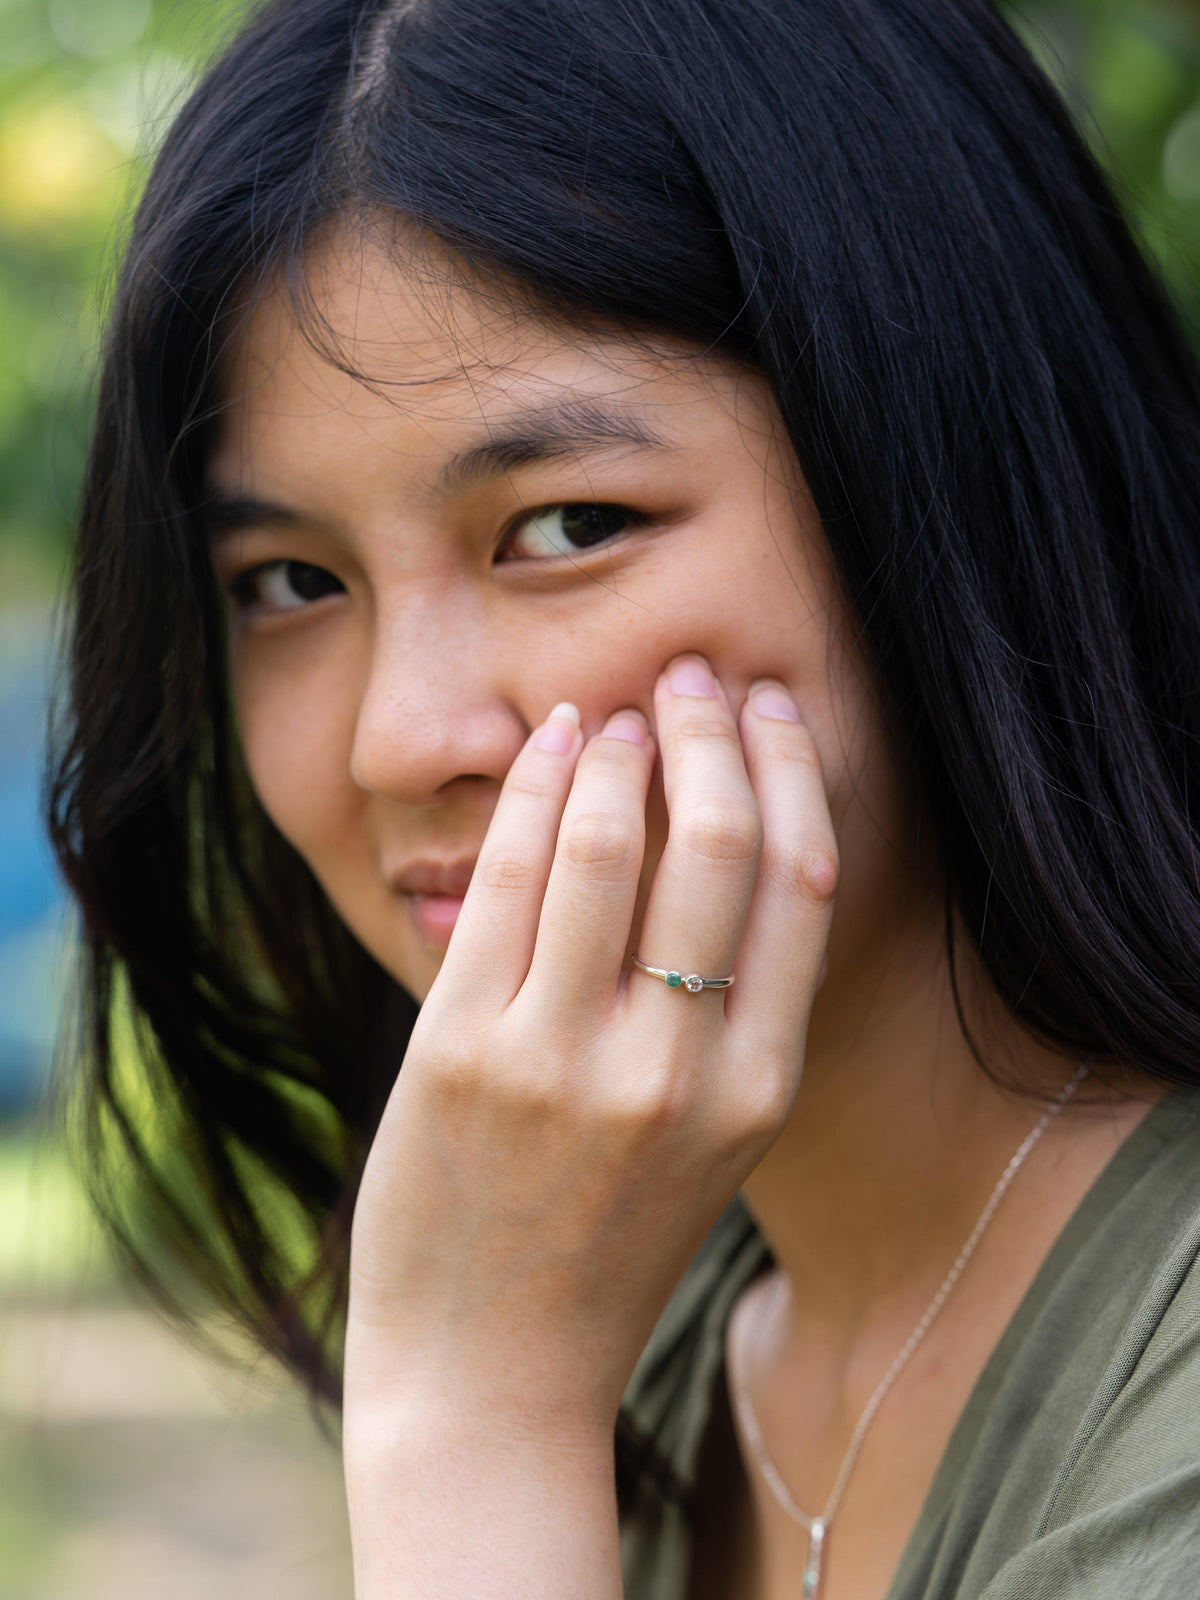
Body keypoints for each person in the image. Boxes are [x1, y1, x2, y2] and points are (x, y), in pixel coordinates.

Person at [45, 0, 1200, 1594]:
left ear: (944, 476)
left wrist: (470, 1425)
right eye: (290, 579)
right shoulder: (640, 1302)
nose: (398, 738)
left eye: (571, 523)